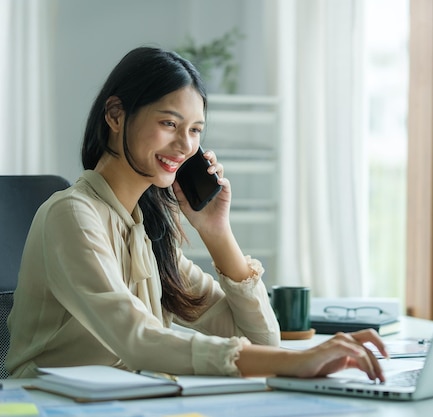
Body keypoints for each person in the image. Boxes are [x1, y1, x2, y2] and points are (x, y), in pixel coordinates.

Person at [6, 46, 388, 381]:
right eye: (169, 123)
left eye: (195, 130)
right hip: (47, 405)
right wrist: (297, 361)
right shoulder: (71, 215)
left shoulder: (149, 232)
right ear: (116, 115)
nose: (185, 145)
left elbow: (261, 339)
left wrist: (217, 232)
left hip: (132, 403)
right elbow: (137, 342)